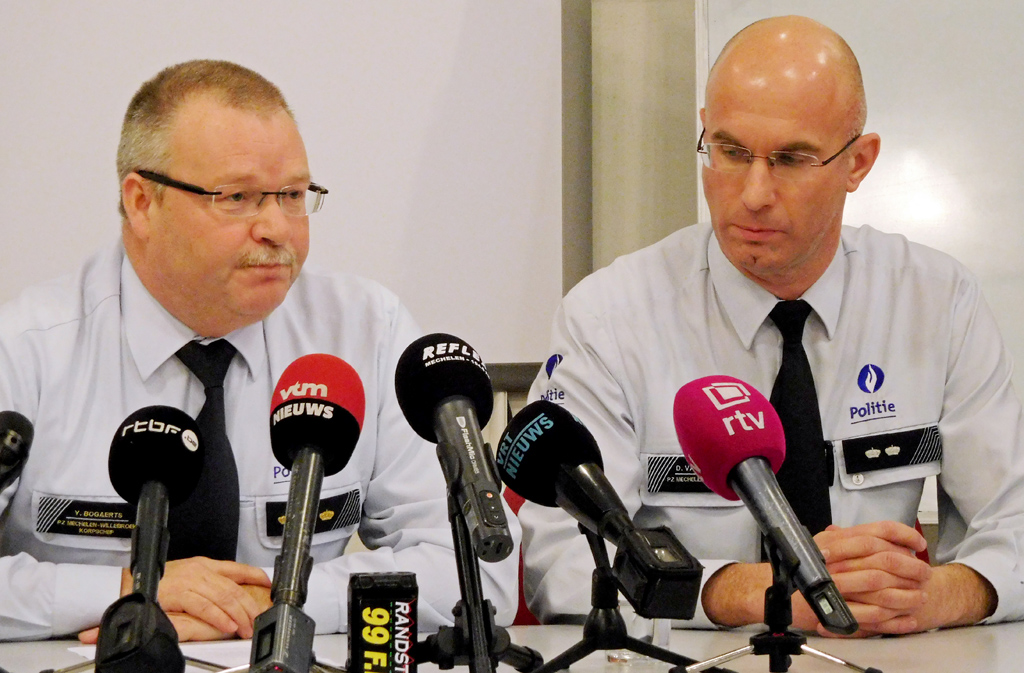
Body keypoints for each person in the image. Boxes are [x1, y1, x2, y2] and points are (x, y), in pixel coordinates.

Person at [519, 15, 1024, 636]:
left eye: (790, 159)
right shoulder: (608, 317)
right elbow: (563, 563)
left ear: (858, 163)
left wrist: (939, 594)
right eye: (730, 151)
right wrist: (758, 591)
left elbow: (1015, 524)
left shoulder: (938, 301)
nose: (753, 193)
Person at [0, 60, 519, 642]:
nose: (278, 228)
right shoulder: (25, 350)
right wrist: (123, 593)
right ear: (142, 203)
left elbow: (478, 570)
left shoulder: (365, 333)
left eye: (294, 195)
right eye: (239, 197)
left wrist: (282, 598)